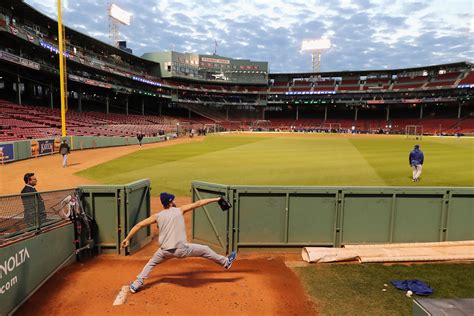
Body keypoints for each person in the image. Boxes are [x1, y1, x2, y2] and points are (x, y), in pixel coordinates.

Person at [121, 192, 237, 294]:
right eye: (173, 200)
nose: (175, 201)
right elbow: (198, 203)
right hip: (181, 250)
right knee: (205, 249)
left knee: (151, 263)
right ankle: (226, 262)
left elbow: (139, 225)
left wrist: (127, 238)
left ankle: (137, 283)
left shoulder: (157, 216)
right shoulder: (179, 210)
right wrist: (216, 199)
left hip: (164, 251)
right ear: (170, 202)